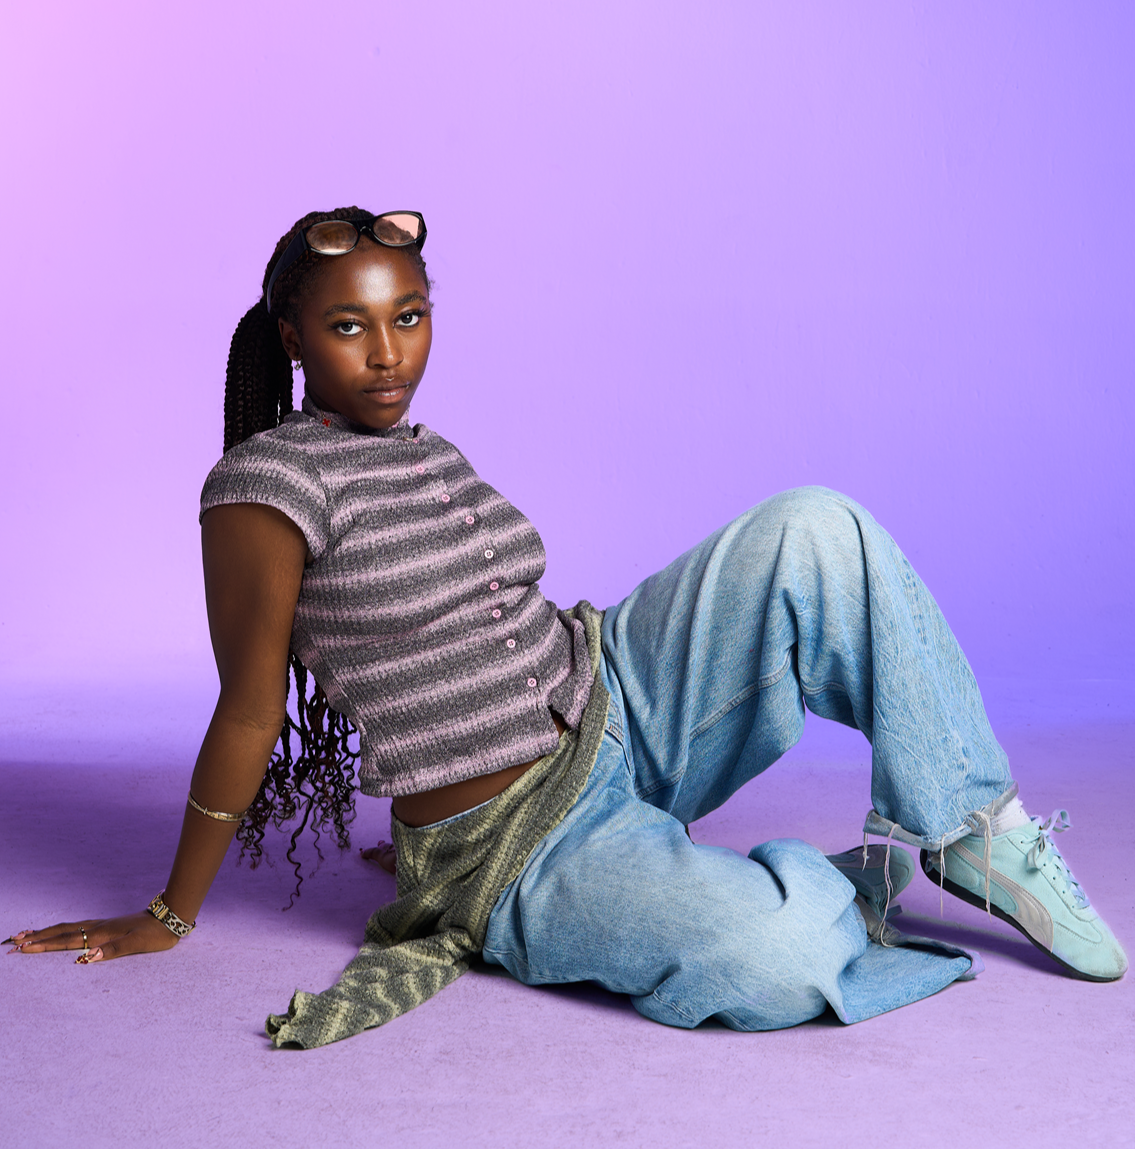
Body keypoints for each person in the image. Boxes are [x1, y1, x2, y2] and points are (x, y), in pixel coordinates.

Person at [9, 207, 1126, 1049]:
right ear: (294, 336)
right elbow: (249, 705)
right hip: (512, 840)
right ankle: (847, 879)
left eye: (409, 317)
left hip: (616, 693)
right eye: (350, 328)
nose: (388, 355)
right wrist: (170, 910)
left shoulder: (422, 446)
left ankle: (972, 828)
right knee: (779, 961)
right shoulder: (262, 488)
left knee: (815, 528)